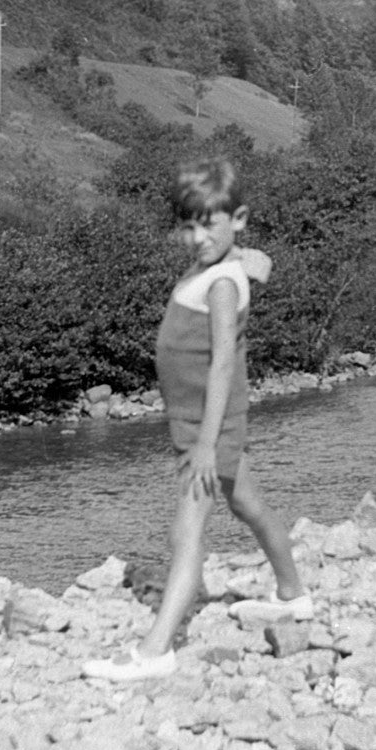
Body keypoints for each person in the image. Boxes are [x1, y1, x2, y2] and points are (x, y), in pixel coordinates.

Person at [83, 156, 310, 682]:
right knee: (248, 502)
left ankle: (156, 649)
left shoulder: (223, 284)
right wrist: (252, 255)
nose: (197, 237)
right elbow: (252, 259)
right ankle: (294, 594)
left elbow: (224, 362)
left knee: (186, 533)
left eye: (208, 224)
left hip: (207, 428)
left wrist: (207, 445)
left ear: (238, 218)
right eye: (188, 225)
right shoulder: (215, 266)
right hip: (196, 423)